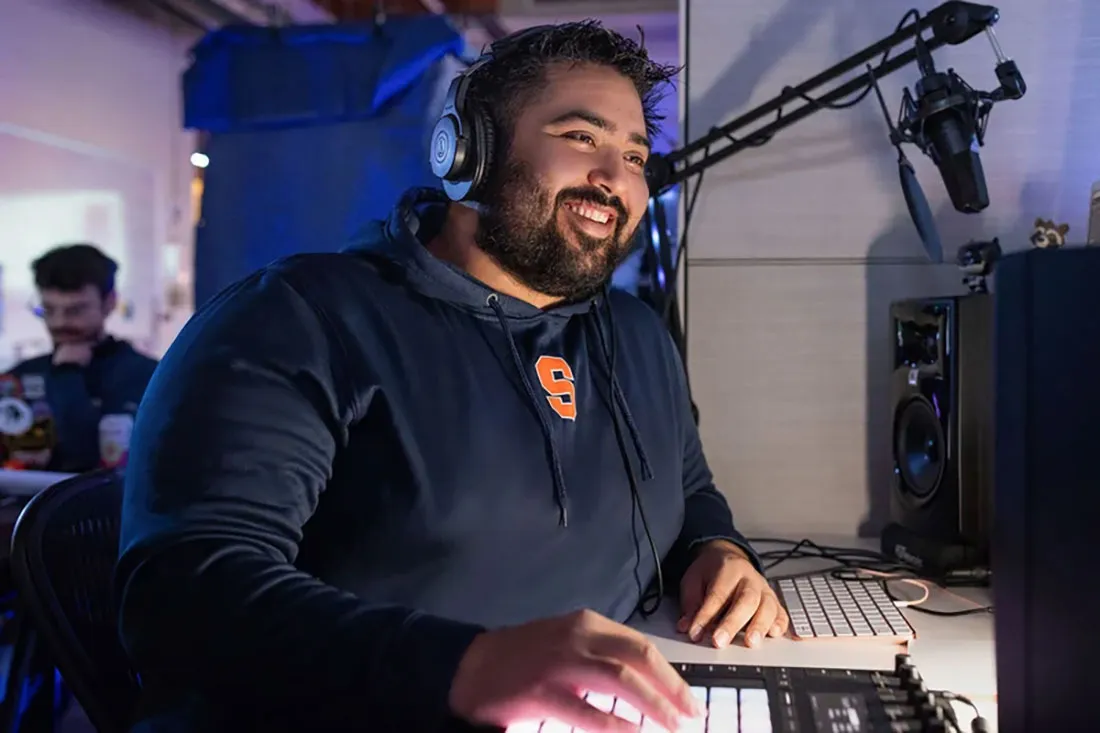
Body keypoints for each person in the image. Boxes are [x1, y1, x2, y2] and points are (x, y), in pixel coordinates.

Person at [117, 22, 789, 733]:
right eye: (581, 138)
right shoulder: (298, 318)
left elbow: (689, 488)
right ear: (468, 154)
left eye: (634, 154)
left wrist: (719, 549)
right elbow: (183, 594)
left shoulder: (636, 334)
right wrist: (463, 663)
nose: (615, 177)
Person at [3, 244, 157, 472]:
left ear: (109, 302)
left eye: (75, 311)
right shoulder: (19, 377)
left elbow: (89, 461)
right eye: (48, 310)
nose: (59, 323)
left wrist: (67, 375)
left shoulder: (148, 377)